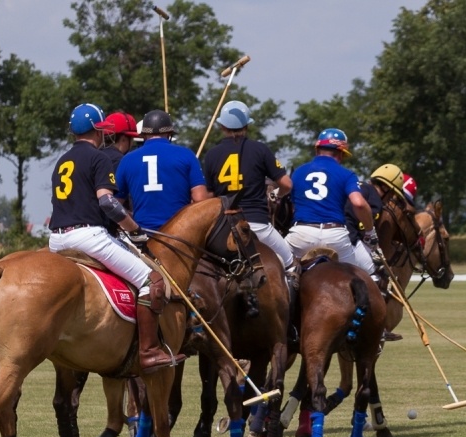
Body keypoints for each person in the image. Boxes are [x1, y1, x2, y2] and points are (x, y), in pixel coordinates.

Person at [48, 102, 184, 373]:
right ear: (99, 131)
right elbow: (108, 204)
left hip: (56, 239)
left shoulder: (62, 160)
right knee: (151, 281)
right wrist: (134, 229)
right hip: (88, 236)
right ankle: (148, 352)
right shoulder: (98, 158)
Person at [202, 100, 297, 287]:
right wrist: (276, 195)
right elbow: (287, 184)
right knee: (290, 264)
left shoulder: (212, 155)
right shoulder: (260, 149)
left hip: (225, 229)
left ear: (221, 126)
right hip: (258, 226)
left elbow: (206, 198)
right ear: (247, 125)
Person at [284, 128, 377, 271]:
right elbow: (358, 203)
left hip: (302, 235)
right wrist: (370, 231)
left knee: (276, 269)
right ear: (340, 154)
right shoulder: (347, 174)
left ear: (317, 150)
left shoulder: (298, 172)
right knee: (362, 276)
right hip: (335, 236)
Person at [115, 109, 210, 230]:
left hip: (143, 234)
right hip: (180, 235)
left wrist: (131, 222)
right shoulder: (186, 155)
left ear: (143, 134)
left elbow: (115, 205)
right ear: (169, 133)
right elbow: (200, 199)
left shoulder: (127, 160)